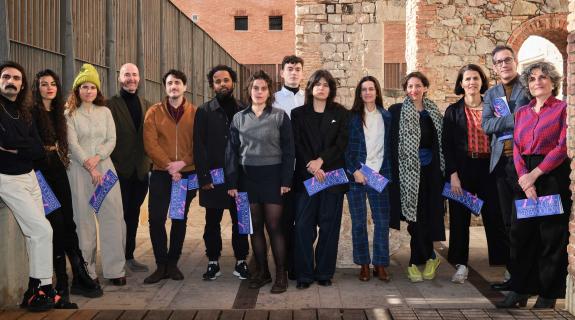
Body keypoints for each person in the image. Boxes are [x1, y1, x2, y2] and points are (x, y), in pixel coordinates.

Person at [496, 62, 570, 309]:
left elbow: (562, 147)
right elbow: (516, 147)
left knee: (550, 237)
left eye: (543, 77)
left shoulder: (563, 110)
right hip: (524, 176)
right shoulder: (522, 113)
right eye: (532, 79)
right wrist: (525, 180)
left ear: (553, 82)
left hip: (550, 176)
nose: (537, 82)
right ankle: (519, 290)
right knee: (521, 235)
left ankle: (548, 295)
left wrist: (536, 175)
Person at [31, 69, 103, 305]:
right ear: (37, 87)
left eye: (53, 84)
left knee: (69, 222)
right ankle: (60, 283)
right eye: (44, 84)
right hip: (40, 174)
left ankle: (79, 275)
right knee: (56, 224)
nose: (49, 87)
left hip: (58, 169)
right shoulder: (31, 112)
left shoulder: (60, 114)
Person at [226, 70, 294, 293]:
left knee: (274, 227)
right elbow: (232, 153)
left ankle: (281, 275)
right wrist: (232, 183)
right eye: (255, 88)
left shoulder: (279, 116)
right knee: (254, 229)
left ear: (269, 92)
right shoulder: (239, 118)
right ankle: (263, 272)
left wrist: (286, 180)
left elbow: (289, 151)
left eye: (264, 88)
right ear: (249, 90)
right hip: (247, 180)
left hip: (273, 178)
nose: (259, 92)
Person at [442, 64, 508, 284]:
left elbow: (507, 135)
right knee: (459, 219)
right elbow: (447, 146)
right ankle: (461, 265)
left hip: (491, 168)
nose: (471, 83)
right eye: (467, 79)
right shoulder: (453, 111)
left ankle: (505, 264)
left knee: (496, 217)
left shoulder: (496, 108)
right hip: (463, 169)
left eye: (475, 78)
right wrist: (452, 174)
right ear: (461, 84)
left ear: (482, 82)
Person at [0, 61, 57, 311]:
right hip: (7, 178)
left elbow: (37, 149)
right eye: (5, 77)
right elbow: (9, 140)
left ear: (23, 84)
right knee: (42, 230)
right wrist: (20, 145)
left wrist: (16, 146)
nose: (11, 81)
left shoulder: (24, 111)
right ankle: (44, 287)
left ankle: (36, 288)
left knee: (37, 235)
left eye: (16, 78)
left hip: (31, 176)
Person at [66, 64, 127, 286]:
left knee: (111, 217)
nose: (88, 91)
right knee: (83, 221)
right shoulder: (70, 114)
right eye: (84, 87)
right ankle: (87, 271)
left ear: (97, 90)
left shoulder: (106, 112)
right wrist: (88, 164)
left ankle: (115, 269)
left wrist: (97, 158)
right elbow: (71, 143)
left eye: (92, 87)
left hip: (105, 170)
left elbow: (112, 139)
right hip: (80, 173)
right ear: (77, 90)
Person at [291, 69, 349, 289]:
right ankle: (304, 274)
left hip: (332, 177)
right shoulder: (298, 114)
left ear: (331, 89)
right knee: (304, 227)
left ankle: (324, 272)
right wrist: (312, 165)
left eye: (326, 84)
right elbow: (297, 144)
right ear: (311, 88)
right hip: (307, 178)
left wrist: (321, 161)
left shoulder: (341, 113)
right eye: (318, 84)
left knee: (329, 226)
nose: (322, 88)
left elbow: (341, 144)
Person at [194, 65, 250, 281]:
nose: (222, 84)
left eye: (226, 80)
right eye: (218, 81)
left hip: (240, 178)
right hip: (213, 179)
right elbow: (198, 146)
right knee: (212, 221)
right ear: (212, 85)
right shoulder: (204, 111)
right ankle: (213, 261)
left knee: (241, 221)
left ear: (233, 82)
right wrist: (204, 177)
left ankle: (241, 260)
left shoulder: (244, 109)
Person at [389, 71, 445, 283]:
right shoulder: (396, 111)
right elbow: (392, 144)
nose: (414, 90)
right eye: (410, 86)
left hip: (431, 171)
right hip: (408, 172)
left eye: (418, 85)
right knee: (414, 217)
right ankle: (425, 257)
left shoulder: (433, 112)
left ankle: (422, 259)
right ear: (405, 89)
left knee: (428, 214)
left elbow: (439, 142)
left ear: (425, 88)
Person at [482, 45, 530, 290]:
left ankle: (526, 277)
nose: (504, 65)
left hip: (525, 163)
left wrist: (509, 120)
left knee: (524, 221)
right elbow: (487, 126)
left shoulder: (528, 87)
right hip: (501, 164)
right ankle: (513, 276)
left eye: (507, 60)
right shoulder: (492, 94)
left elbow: (534, 117)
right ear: (494, 67)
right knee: (507, 223)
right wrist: (515, 117)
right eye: (499, 62)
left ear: (515, 61)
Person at [143, 69, 197, 284]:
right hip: (161, 174)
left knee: (178, 218)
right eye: (169, 83)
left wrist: (182, 163)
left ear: (185, 86)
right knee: (156, 219)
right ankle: (161, 264)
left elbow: (198, 144)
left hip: (185, 175)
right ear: (165, 87)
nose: (173, 86)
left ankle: (173, 263)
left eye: (177, 83)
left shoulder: (195, 113)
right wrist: (168, 166)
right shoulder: (154, 112)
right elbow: (150, 142)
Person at [345, 76, 394, 282]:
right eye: (363, 89)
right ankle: (364, 264)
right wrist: (354, 170)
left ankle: (380, 264)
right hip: (357, 176)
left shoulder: (387, 116)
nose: (367, 93)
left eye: (371, 89)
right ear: (359, 93)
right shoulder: (351, 117)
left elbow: (390, 148)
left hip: (379, 175)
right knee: (358, 223)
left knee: (382, 223)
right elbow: (344, 148)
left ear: (377, 92)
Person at [107, 63, 151, 273]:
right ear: (119, 77)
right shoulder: (109, 106)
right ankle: (115, 258)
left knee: (132, 214)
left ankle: (129, 255)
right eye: (127, 74)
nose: (131, 78)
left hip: (141, 172)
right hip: (118, 170)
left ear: (139, 78)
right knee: (117, 216)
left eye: (134, 74)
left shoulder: (147, 105)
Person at [273, 55, 305, 280]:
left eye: (297, 69)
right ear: (282, 73)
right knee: (282, 221)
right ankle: (282, 266)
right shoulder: (272, 100)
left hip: (304, 171)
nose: (294, 73)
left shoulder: (309, 99)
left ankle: (298, 263)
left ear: (302, 73)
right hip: (280, 170)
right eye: (290, 69)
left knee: (302, 220)